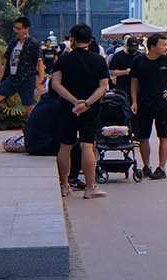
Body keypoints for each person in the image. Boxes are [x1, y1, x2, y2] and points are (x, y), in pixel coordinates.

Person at [50, 24, 109, 202]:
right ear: (90, 40)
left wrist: (74, 101)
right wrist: (86, 103)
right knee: (87, 146)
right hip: (90, 110)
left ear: (72, 40)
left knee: (65, 145)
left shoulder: (63, 60)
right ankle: (90, 187)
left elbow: (55, 84)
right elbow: (103, 87)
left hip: (68, 108)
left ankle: (64, 185)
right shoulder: (99, 60)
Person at [130, 31, 167, 178]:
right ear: (152, 46)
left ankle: (161, 168)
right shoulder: (139, 61)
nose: (165, 47)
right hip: (144, 104)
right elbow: (134, 81)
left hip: (161, 105)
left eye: (166, 44)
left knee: (163, 136)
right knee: (143, 137)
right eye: (162, 45)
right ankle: (146, 166)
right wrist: (134, 101)